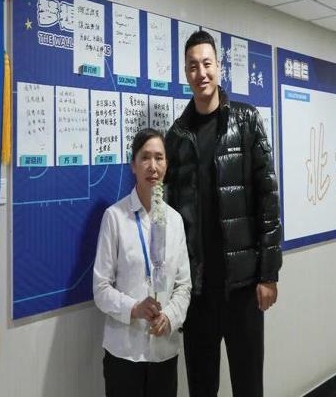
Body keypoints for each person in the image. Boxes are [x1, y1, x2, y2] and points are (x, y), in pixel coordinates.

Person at [165, 30, 282, 397]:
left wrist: (269, 274)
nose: (201, 72)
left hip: (243, 288)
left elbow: (268, 198)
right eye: (193, 66)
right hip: (198, 291)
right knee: (202, 388)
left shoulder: (246, 121)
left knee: (249, 386)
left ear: (219, 66)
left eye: (207, 64)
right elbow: (169, 215)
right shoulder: (176, 136)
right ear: (186, 73)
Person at [93, 128, 191, 397]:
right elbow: (100, 289)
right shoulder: (114, 217)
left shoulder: (175, 221)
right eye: (145, 157)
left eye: (159, 158)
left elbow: (184, 285)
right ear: (133, 165)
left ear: (167, 165)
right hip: (124, 353)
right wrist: (134, 308)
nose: (153, 166)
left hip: (164, 351)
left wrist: (169, 317)